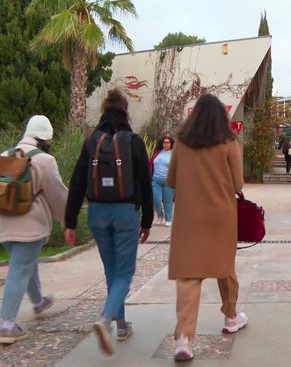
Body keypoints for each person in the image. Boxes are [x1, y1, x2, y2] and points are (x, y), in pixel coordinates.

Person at [64, 89, 153, 355]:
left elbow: (78, 181)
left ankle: (122, 323)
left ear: (103, 110)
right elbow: (145, 184)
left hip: (97, 213)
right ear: (125, 110)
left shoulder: (92, 140)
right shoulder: (134, 141)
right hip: (125, 213)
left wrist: (70, 222)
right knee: (125, 272)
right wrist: (147, 220)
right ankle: (106, 318)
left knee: (112, 269)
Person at [167, 93, 246, 362]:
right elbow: (238, 184)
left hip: (189, 217)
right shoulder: (229, 142)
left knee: (189, 276)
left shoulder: (182, 143)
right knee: (225, 267)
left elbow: (172, 179)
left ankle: (184, 338)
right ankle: (231, 316)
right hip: (221, 216)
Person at [0, 116, 68, 344]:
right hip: (30, 225)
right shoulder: (45, 160)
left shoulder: (4, 155)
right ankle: (6, 323)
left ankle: (39, 301)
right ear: (45, 139)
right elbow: (56, 193)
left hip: (4, 222)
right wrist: (68, 220)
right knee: (19, 269)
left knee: (26, 262)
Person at [150, 136, 175, 227]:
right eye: (164, 142)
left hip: (168, 181)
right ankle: (160, 216)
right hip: (155, 180)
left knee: (168, 201)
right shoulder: (156, 153)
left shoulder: (174, 154)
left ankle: (168, 219)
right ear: (162, 143)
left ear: (171, 144)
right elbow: (151, 165)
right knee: (156, 199)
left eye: (168, 143)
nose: (166, 144)